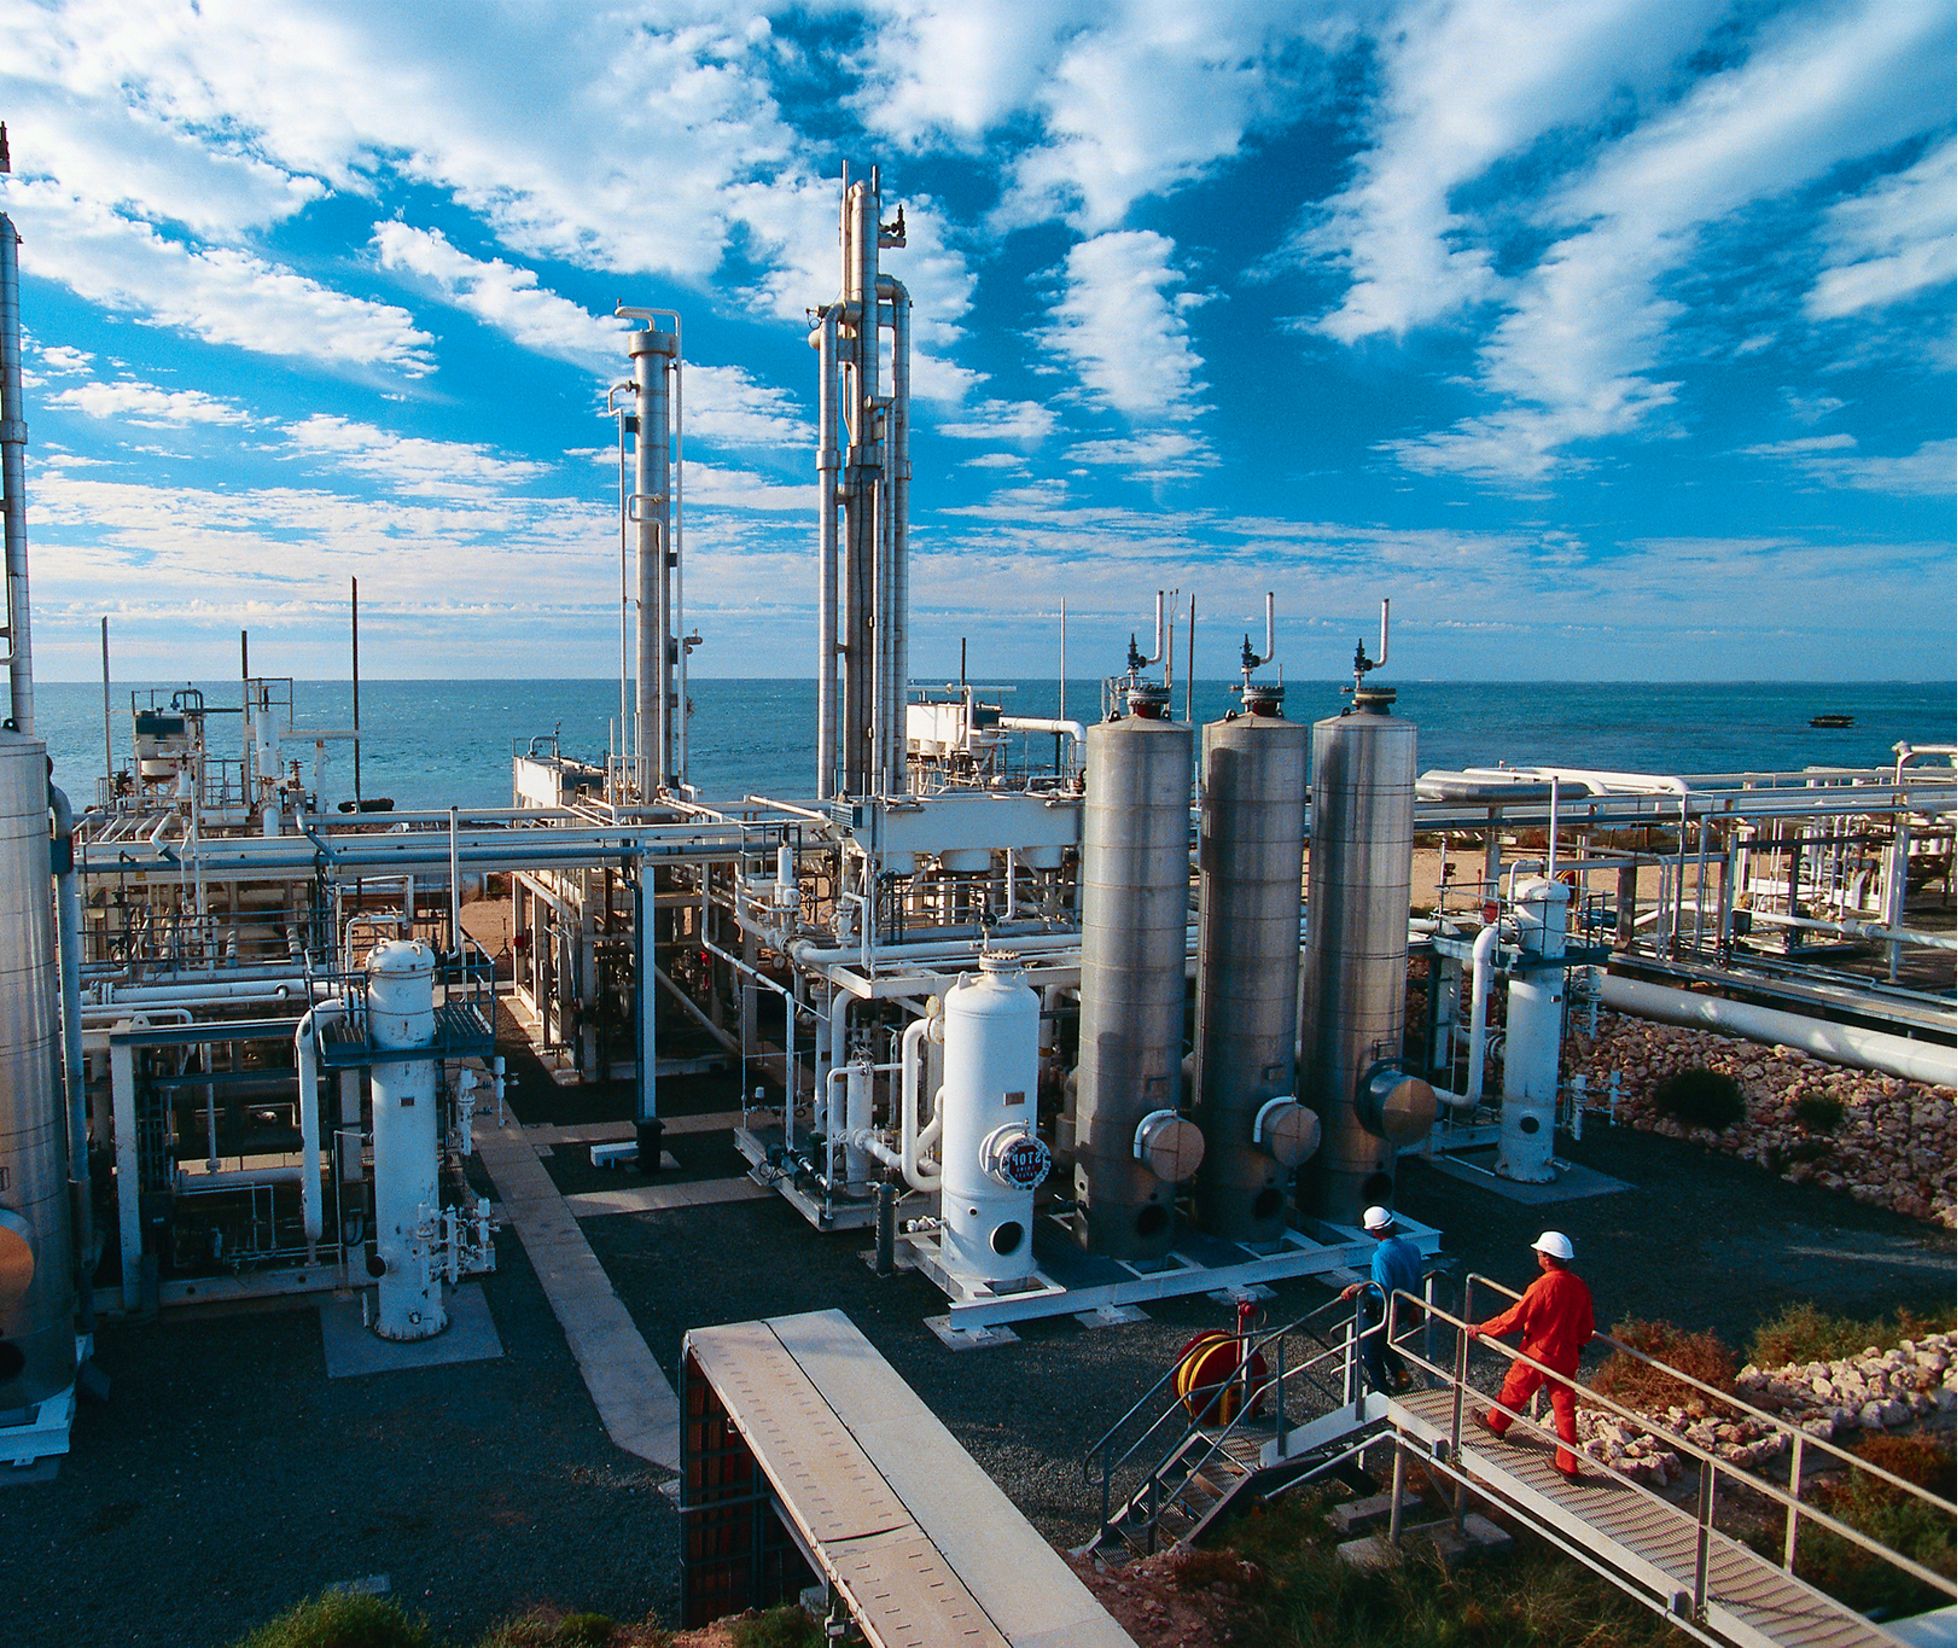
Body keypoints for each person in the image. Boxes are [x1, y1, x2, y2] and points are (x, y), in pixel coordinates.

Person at [1468, 1230, 1595, 1482]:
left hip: (1539, 1352)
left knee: (1515, 1388)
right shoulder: (1579, 1285)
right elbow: (1587, 1325)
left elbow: (1515, 1317)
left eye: (1539, 1253)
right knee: (1564, 1409)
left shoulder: (1543, 1286)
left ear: (1546, 1258)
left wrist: (1482, 1329)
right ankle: (1568, 1464)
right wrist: (1578, 1343)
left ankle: (1496, 1423)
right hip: (1566, 1355)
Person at [1341, 1205, 1423, 1394]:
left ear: (1375, 1232)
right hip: (1404, 1307)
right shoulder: (1412, 1248)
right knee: (1383, 1341)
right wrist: (1413, 1306)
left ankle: (1383, 1393)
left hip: (1383, 1310)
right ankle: (1400, 1374)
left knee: (1369, 1351)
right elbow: (1418, 1279)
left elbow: (1382, 1290)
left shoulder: (1381, 1256)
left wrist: (1359, 1288)